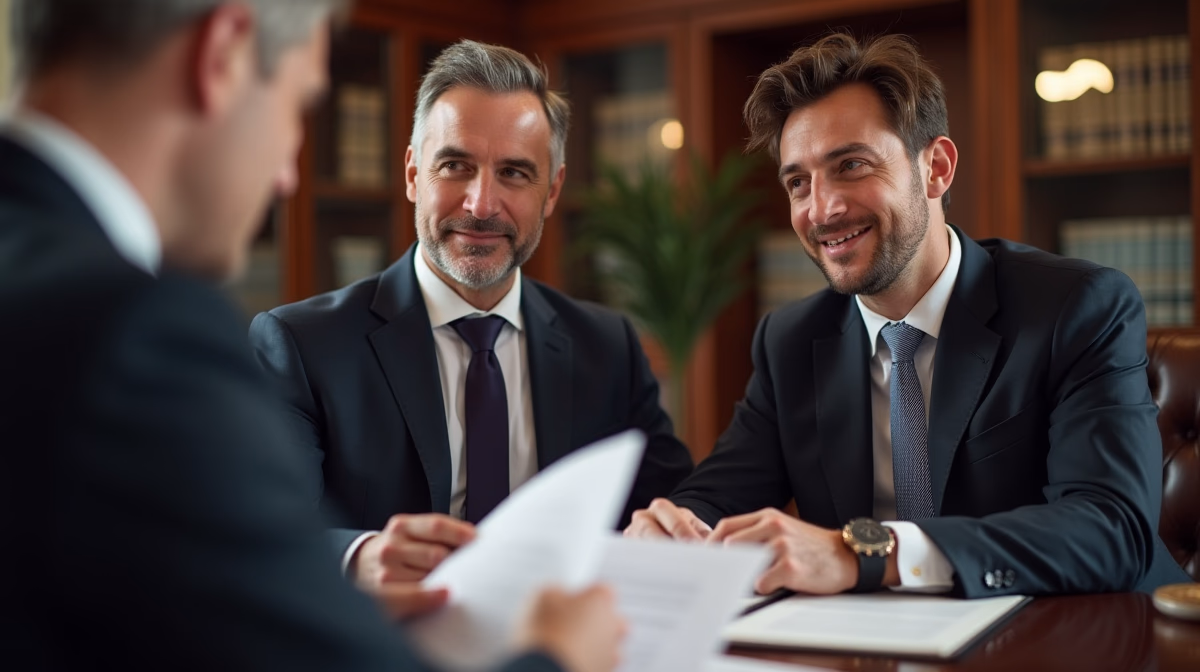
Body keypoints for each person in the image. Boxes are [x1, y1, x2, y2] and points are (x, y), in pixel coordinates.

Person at [0, 1, 624, 670]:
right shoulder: (136, 334)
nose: (286, 175)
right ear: (224, 55)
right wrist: (559, 657)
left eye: (515, 173)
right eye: (297, 105)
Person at [625, 32, 1190, 598]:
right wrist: (672, 526)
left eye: (851, 165)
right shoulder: (790, 340)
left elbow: (1110, 528)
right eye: (798, 182)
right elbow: (720, 494)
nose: (821, 209)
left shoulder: (1079, 308)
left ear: (936, 168)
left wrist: (866, 553)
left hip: (1078, 638)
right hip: (878, 647)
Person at [248, 39, 693, 611]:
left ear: (551, 192)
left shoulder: (606, 347)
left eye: (514, 173)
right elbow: (260, 528)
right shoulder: (301, 346)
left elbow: (672, 507)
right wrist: (358, 558)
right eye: (455, 165)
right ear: (413, 174)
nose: (482, 204)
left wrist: (671, 529)